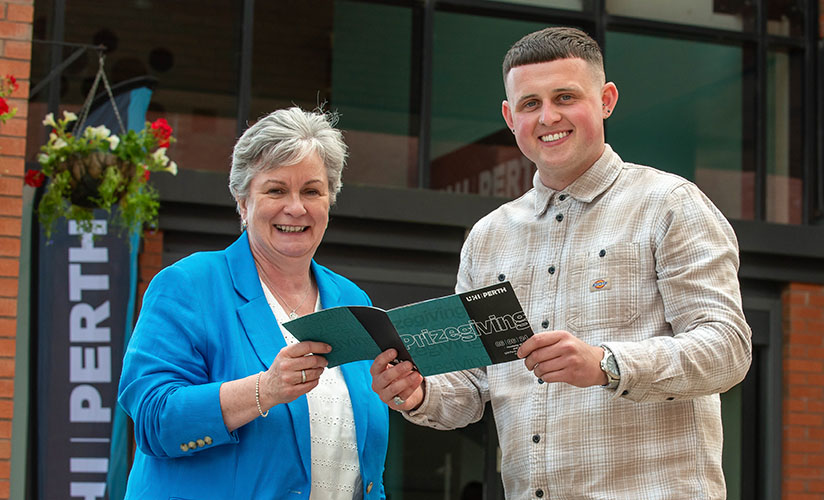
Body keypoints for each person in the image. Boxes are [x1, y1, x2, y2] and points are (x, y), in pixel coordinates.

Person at [371, 27, 751, 499]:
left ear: (607, 99)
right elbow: (471, 386)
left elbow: (728, 349)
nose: (548, 116)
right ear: (510, 117)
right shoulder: (487, 238)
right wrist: (419, 393)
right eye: (530, 103)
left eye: (565, 96)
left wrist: (607, 364)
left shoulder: (670, 205)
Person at [118, 106, 388, 499]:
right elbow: (153, 420)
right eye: (276, 190)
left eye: (312, 191)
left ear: (330, 200)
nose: (296, 207)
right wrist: (266, 388)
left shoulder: (351, 300)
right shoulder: (189, 286)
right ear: (243, 203)